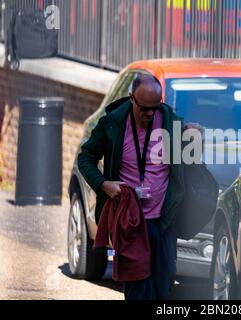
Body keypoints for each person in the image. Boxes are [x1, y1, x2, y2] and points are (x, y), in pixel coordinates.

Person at [78, 74, 197, 300]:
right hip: (129, 222)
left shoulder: (173, 125)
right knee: (138, 288)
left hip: (163, 220)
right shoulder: (112, 124)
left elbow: (188, 167)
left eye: (155, 107)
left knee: (164, 284)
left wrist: (193, 138)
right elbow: (86, 158)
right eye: (144, 109)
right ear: (132, 99)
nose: (150, 114)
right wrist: (104, 185)